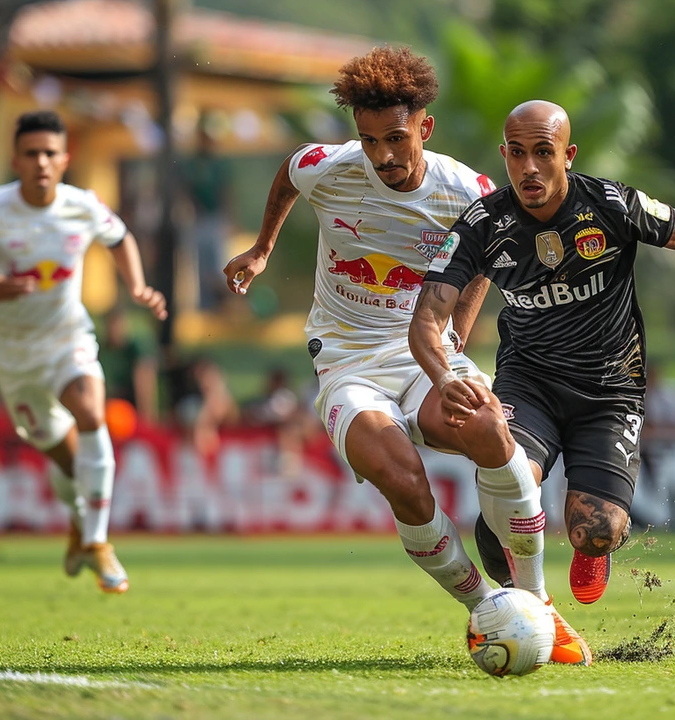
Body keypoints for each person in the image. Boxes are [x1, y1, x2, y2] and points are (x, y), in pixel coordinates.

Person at [222, 49, 590, 664]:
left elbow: (486, 265)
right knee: (402, 480)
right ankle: (485, 609)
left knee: (491, 430)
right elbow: (288, 174)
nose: (383, 156)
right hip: (345, 360)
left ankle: (537, 605)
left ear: (425, 126)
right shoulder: (327, 166)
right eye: (369, 141)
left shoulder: (466, 190)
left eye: (396, 138)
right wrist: (262, 249)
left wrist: (455, 342)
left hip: (425, 354)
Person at [411, 101, 675, 605]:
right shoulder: (483, 223)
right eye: (517, 154)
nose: (529, 168)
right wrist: (443, 375)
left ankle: (593, 550)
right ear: (504, 154)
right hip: (529, 384)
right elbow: (427, 320)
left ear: (569, 155)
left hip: (610, 392)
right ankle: (525, 612)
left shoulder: (611, 205)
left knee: (598, 529)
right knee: (501, 522)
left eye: (544, 152)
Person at [0, 110, 167, 593]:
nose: (42, 162)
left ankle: (99, 543)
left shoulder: (83, 206)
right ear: (15, 159)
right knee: (68, 461)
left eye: (50, 153)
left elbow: (119, 238)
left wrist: (138, 287)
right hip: (15, 357)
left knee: (91, 412)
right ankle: (81, 524)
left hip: (68, 339)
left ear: (65, 159)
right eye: (32, 153)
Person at [179, 117, 235, 310]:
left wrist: (229, 219)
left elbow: (225, 192)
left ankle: (224, 306)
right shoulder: (192, 164)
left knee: (219, 264)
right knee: (201, 267)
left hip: (215, 218)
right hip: (198, 219)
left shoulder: (218, 164)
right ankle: (206, 306)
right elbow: (186, 189)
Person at [98, 306, 159, 424]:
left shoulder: (135, 347)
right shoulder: (103, 349)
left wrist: (147, 414)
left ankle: (146, 420)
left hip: (133, 400)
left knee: (144, 372)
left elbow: (144, 378)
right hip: (114, 402)